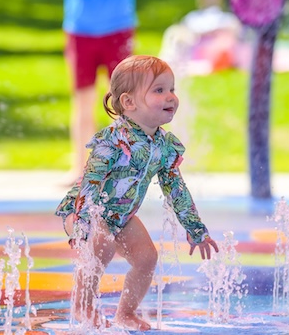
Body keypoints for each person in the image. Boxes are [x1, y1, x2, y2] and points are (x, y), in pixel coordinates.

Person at [55, 55, 220, 330]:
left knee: (146, 258)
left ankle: (126, 313)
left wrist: (195, 228)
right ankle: (82, 304)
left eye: (172, 89)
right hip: (85, 209)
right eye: (159, 90)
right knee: (103, 245)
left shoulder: (164, 145)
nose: (170, 97)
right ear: (129, 102)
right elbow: (91, 181)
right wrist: (83, 223)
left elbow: (175, 188)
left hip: (122, 216)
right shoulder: (113, 139)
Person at [48, 0, 143, 184]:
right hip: (80, 31)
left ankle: (126, 164)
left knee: (124, 101)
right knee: (82, 100)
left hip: (118, 29)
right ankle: (80, 167)